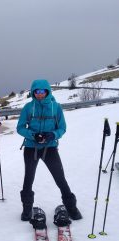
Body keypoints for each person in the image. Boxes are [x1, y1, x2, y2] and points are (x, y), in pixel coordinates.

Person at [17, 79, 82, 222]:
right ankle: (27, 210)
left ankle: (71, 207)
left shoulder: (56, 107)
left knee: (60, 178)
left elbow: (62, 128)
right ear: (33, 92)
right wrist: (33, 135)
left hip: (50, 148)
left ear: (47, 91)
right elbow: (20, 128)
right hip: (31, 148)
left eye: (42, 91)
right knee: (28, 179)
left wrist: (53, 135)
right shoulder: (28, 107)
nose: (39, 94)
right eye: (36, 91)